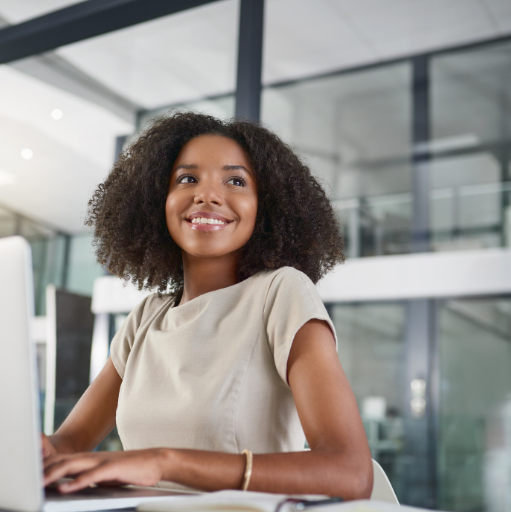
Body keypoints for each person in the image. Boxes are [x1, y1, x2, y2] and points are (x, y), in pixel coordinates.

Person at [41, 112, 373, 499]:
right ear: (157, 201)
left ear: (265, 206)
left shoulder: (281, 293)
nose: (207, 195)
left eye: (235, 181)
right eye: (187, 179)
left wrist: (165, 462)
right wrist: (35, 449)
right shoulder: (147, 317)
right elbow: (70, 442)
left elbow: (349, 472)